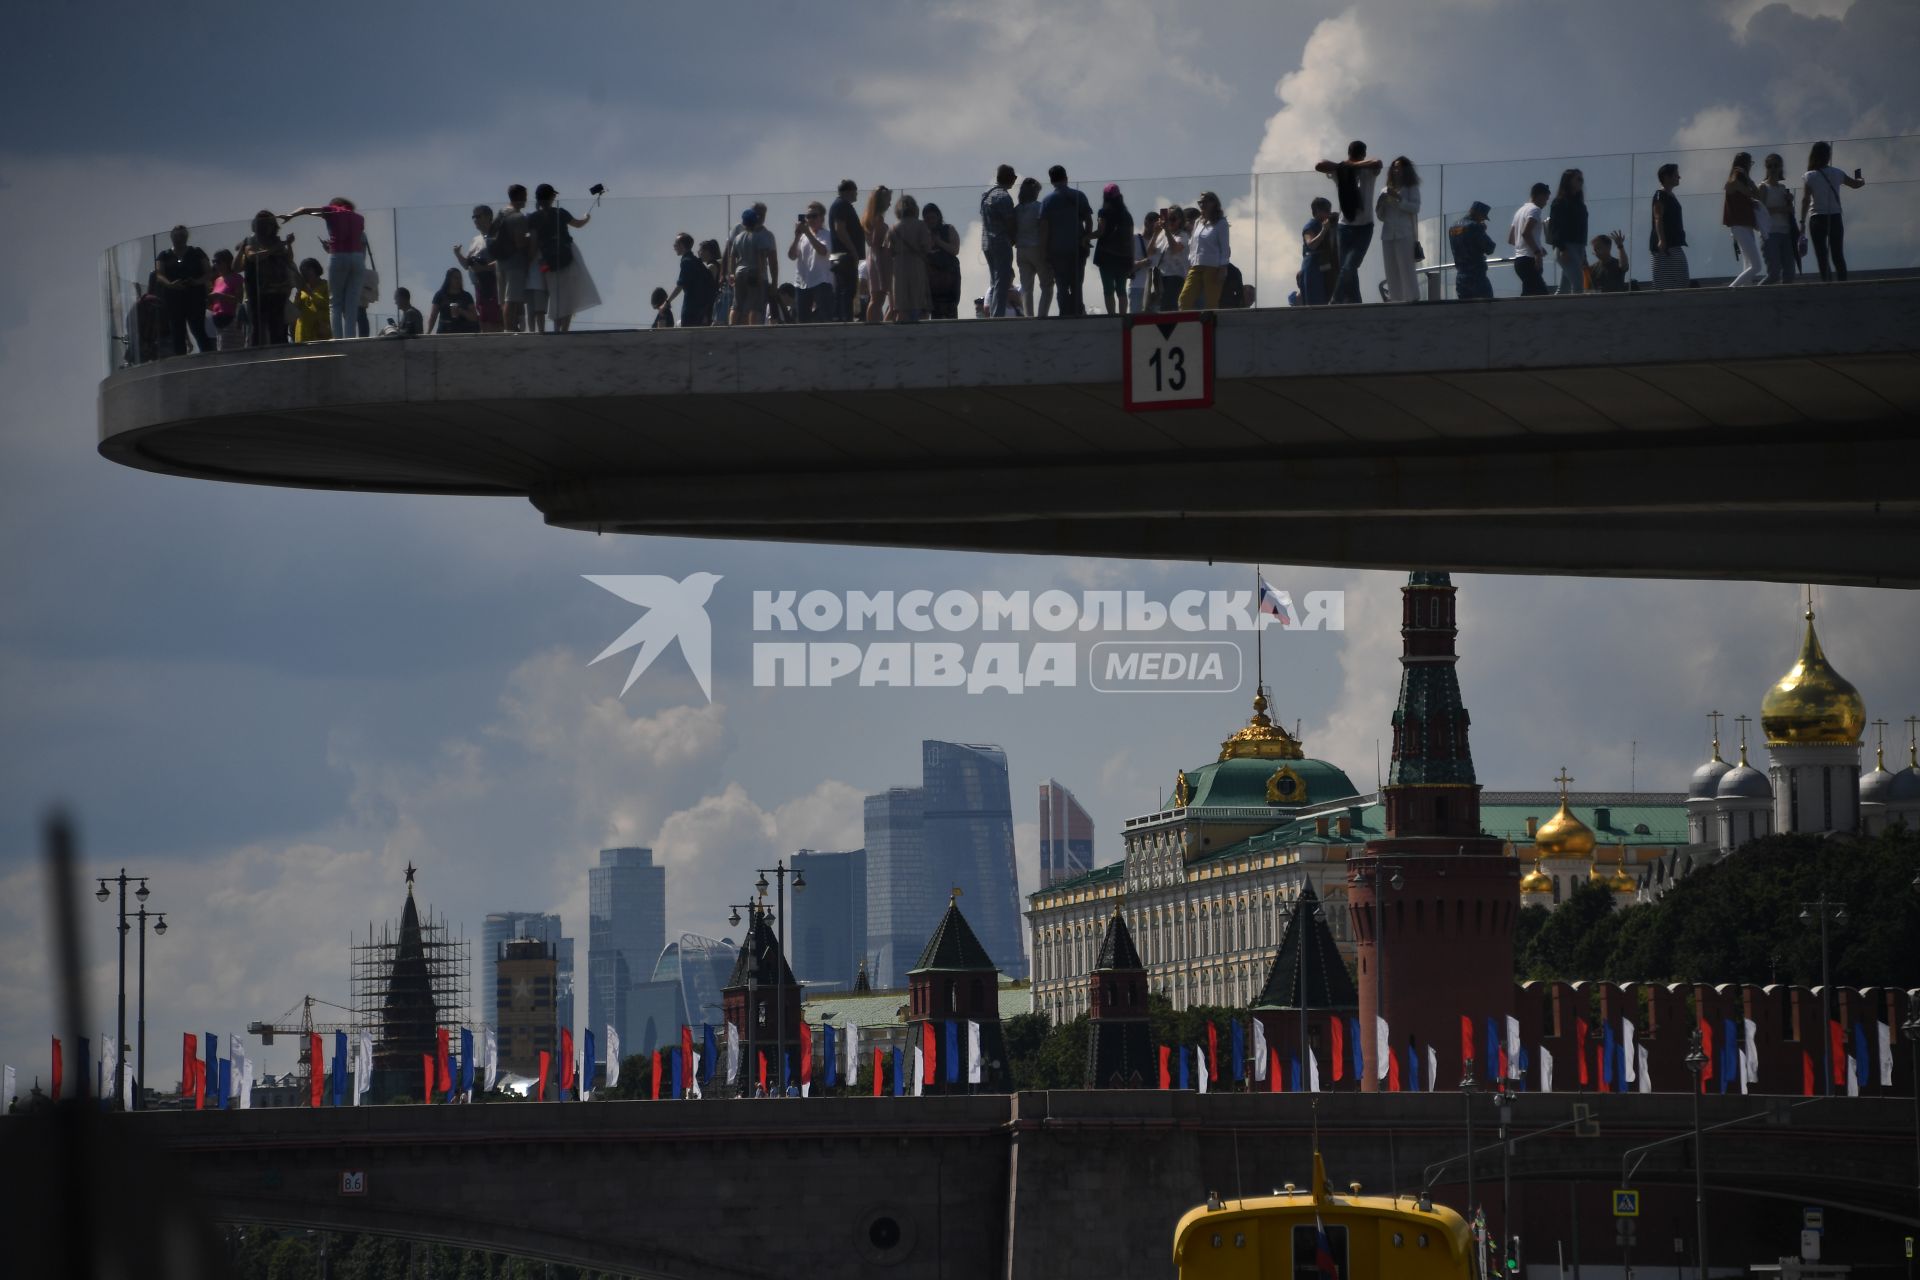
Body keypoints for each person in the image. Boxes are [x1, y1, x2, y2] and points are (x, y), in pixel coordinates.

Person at [279, 197, 367, 342]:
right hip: (357, 259)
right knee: (352, 303)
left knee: (335, 302)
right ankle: (350, 339)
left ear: (335, 205)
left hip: (338, 256)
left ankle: (338, 340)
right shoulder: (359, 218)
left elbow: (305, 210)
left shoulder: (332, 211)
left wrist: (290, 215)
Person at [1316, 141, 1383, 304]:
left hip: (1364, 228)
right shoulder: (1341, 170)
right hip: (1344, 227)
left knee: (1349, 266)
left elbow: (1378, 163)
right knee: (1348, 267)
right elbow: (1319, 165)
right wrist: (1344, 166)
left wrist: (1353, 166)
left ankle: (1336, 299)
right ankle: (1356, 302)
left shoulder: (1368, 171)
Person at [528, 183, 601, 332]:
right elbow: (578, 224)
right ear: (551, 197)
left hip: (546, 261)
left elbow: (534, 243)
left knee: (555, 294)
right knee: (568, 294)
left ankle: (556, 328)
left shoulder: (534, 218)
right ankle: (564, 329)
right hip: (568, 255)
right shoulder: (560, 213)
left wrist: (529, 262)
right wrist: (587, 217)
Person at [1799, 140, 1864, 283]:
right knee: (1837, 255)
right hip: (1834, 217)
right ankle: (1842, 284)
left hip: (1816, 218)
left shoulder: (1809, 175)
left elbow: (1805, 200)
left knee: (1822, 256)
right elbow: (1855, 184)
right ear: (1828, 156)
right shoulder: (1837, 173)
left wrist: (1802, 221)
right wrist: (1861, 179)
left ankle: (1827, 285)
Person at [235, 210, 297, 347]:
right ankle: (259, 356)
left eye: (267, 223)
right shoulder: (252, 240)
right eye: (261, 223)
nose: (265, 227)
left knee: (278, 328)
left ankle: (279, 355)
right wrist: (274, 249)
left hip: (277, 290)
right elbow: (252, 256)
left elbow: (288, 259)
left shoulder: (275, 241)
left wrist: (288, 244)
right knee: (258, 328)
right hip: (258, 292)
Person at [1039, 165, 1093, 317]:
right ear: (1066, 178)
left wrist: (1044, 251)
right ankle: (1077, 313)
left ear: (1051, 181)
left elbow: (1044, 229)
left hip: (1056, 250)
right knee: (1077, 284)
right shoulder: (1079, 196)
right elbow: (1089, 220)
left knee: (1062, 285)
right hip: (1077, 247)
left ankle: (1064, 315)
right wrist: (1086, 239)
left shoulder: (1047, 201)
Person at [152, 225, 212, 355]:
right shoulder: (164, 255)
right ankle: (181, 366)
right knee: (177, 333)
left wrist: (196, 282)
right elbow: (159, 274)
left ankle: (208, 360)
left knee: (198, 329)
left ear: (186, 237)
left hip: (195, 298)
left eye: (182, 236)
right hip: (174, 299)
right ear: (172, 237)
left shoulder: (197, 252)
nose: (179, 239)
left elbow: (208, 272)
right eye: (177, 236)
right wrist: (171, 284)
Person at [1376, 157, 1422, 303]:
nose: (1397, 170)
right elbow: (1381, 216)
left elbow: (1415, 208)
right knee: (1391, 269)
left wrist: (1398, 198)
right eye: (1395, 167)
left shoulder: (1411, 188)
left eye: (1400, 167)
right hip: (1388, 233)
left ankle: (1412, 298)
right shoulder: (1385, 189)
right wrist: (1381, 203)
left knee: (1406, 266)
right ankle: (1396, 299)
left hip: (1405, 232)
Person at [453, 205, 502, 331]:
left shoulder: (498, 236)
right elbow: (466, 265)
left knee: (495, 318)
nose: (475, 220)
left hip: (494, 284)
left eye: (479, 216)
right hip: (479, 285)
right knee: (484, 318)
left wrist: (485, 268)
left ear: (489, 217)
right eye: (473, 217)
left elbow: (504, 260)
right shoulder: (475, 240)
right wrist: (458, 254)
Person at [1179, 190, 1231, 310]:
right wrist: (1191, 261)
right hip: (1196, 266)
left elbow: (1224, 247)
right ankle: (1187, 325)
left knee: (1211, 302)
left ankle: (1211, 325)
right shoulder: (1198, 222)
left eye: (1205, 202)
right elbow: (1193, 244)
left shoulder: (1221, 223)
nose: (1202, 205)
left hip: (1213, 267)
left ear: (1213, 203)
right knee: (1184, 299)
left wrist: (1223, 268)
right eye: (1200, 203)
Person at [492, 186, 534, 332]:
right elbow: (520, 243)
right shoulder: (518, 217)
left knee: (504, 299)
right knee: (512, 298)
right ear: (520, 196)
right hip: (515, 262)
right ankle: (509, 330)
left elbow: (491, 234)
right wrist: (531, 239)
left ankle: (508, 329)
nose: (526, 199)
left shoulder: (501, 213)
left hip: (500, 261)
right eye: (525, 195)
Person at [1089, 184, 1135, 316]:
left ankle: (1112, 316)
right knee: (1121, 290)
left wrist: (1086, 237)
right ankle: (1122, 316)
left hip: (1106, 257)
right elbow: (1131, 239)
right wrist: (1131, 260)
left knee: (1108, 289)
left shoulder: (1104, 212)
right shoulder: (1127, 216)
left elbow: (1100, 232)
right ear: (1120, 197)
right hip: (1124, 257)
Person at [1721, 153, 1764, 288]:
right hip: (1740, 227)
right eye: (1749, 164)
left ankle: (1745, 290)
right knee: (1756, 266)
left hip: (1746, 226)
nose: (1750, 167)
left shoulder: (1741, 181)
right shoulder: (1735, 181)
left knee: (1749, 265)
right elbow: (1753, 194)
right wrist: (1746, 177)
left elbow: (1758, 196)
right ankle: (1731, 289)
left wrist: (1749, 180)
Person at [728, 206, 776, 325]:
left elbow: (732, 256)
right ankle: (753, 328)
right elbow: (760, 256)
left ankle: (731, 326)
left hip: (739, 272)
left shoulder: (738, 237)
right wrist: (760, 275)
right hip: (754, 272)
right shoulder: (759, 237)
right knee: (756, 305)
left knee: (737, 304)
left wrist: (731, 273)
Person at [979, 164, 1017, 317]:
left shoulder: (986, 195)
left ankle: (995, 313)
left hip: (987, 243)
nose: (1015, 179)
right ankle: (998, 315)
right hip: (1001, 242)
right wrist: (1014, 238)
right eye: (1013, 176)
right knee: (1003, 280)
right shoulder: (1003, 196)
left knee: (994, 281)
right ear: (1008, 177)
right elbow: (1010, 222)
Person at [1544, 169, 1589, 295]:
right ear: (1568, 182)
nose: (1581, 182)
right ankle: (1577, 312)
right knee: (1578, 283)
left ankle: (1553, 309)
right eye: (1578, 179)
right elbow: (1556, 227)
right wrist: (1562, 248)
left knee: (1564, 287)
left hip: (1578, 247)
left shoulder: (1580, 204)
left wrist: (1583, 254)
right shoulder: (1560, 202)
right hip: (1566, 247)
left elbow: (1581, 229)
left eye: (1582, 179)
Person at [889, 193, 932, 323]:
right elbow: (927, 247)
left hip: (898, 267)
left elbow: (889, 250)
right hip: (916, 265)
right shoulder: (921, 225)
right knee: (919, 303)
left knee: (901, 305)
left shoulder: (893, 228)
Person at [789, 202, 835, 322]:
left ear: (822, 217)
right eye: (808, 216)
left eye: (814, 216)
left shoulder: (827, 235)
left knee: (825, 317)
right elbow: (792, 256)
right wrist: (797, 236)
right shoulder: (802, 237)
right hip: (802, 282)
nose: (811, 219)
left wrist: (808, 233)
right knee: (802, 319)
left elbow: (823, 251)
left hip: (821, 281)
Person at [658, 232, 717, 326]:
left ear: (682, 245)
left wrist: (666, 303)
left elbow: (680, 285)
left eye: (676, 243)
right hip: (703, 308)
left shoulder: (687, 262)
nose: (674, 246)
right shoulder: (697, 262)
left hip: (691, 308)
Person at [1757, 154, 1799, 285]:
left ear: (1780, 167)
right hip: (1770, 233)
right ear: (1766, 168)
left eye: (1776, 165)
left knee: (1790, 273)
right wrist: (1782, 209)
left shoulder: (1782, 188)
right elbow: (1761, 211)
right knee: (1774, 273)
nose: (1773, 169)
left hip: (1786, 233)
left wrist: (1789, 203)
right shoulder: (1763, 187)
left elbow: (1790, 211)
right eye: (1770, 166)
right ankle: (1756, 295)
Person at [1013, 177, 1052, 317]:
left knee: (1026, 288)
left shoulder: (1016, 210)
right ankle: (1042, 316)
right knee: (1046, 285)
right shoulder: (1039, 207)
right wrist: (1045, 250)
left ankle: (1028, 317)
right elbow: (1043, 229)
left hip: (1021, 250)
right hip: (1036, 248)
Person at [829, 179, 866, 322]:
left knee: (842, 288)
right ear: (848, 191)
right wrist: (853, 251)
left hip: (839, 255)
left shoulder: (839, 205)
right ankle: (845, 318)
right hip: (845, 255)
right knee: (847, 289)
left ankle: (840, 317)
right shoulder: (842, 205)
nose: (856, 194)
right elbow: (840, 229)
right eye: (855, 191)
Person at [1649, 163, 1689, 289]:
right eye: (1676, 175)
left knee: (1681, 280)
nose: (1679, 177)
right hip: (1666, 246)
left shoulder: (1671, 196)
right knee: (1665, 282)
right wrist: (1661, 239)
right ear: (1667, 177)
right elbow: (1658, 217)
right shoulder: (1660, 195)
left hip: (1674, 244)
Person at [1507, 183, 1550, 296]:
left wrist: (1537, 246)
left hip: (1519, 261)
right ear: (1540, 196)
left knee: (1529, 293)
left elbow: (1511, 239)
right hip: (1529, 260)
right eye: (1546, 199)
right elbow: (1526, 233)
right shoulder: (1535, 210)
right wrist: (1537, 252)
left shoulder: (1520, 211)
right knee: (1541, 294)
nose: (1546, 203)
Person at [1448, 201, 1494, 301]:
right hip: (1477, 277)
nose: (1483, 220)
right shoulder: (1475, 226)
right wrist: (1482, 231)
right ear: (1478, 213)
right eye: (1483, 217)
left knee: (1466, 311)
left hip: (1461, 277)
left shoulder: (1453, 228)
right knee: (1488, 308)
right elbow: (1490, 248)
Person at [923, 203, 962, 320]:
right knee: (935, 314)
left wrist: (939, 242)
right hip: (932, 282)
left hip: (949, 280)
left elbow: (955, 250)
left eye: (933, 217)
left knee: (951, 313)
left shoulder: (949, 229)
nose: (931, 221)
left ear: (938, 216)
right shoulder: (923, 233)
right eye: (928, 219)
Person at [862, 186, 893, 323]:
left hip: (876, 257)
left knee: (878, 298)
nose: (890, 204)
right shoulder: (878, 219)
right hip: (878, 259)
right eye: (888, 200)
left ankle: (876, 323)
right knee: (877, 298)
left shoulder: (870, 218)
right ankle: (873, 325)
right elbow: (876, 242)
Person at [207, 249, 245, 351]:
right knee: (221, 350)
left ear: (227, 262)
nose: (215, 264)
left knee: (231, 351)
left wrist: (220, 296)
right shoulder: (217, 280)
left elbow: (238, 300)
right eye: (214, 262)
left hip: (231, 320)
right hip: (218, 322)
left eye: (218, 261)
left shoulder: (236, 278)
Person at [1152, 205, 1189, 311]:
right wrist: (1155, 233)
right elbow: (1150, 252)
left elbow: (1174, 249)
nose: (1170, 222)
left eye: (1173, 219)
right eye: (1168, 219)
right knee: (1160, 306)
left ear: (1180, 221)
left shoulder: (1183, 235)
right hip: (1160, 276)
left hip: (1175, 276)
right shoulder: (1161, 235)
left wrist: (1167, 231)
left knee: (1169, 305)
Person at [291, 258, 332, 342]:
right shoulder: (302, 290)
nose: (306, 273)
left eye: (308, 269)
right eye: (303, 271)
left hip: (320, 333)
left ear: (316, 269)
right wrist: (299, 291)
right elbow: (295, 310)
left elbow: (326, 304)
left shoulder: (326, 286)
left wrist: (310, 293)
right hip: (303, 335)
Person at [429, 267, 480, 333]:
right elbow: (433, 315)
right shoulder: (440, 295)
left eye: (460, 278)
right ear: (449, 279)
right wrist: (428, 332)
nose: (458, 280)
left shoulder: (466, 296)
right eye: (456, 278)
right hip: (444, 331)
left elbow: (474, 318)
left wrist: (461, 311)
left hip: (463, 332)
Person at [1131, 210, 1158, 313]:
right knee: (1137, 321)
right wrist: (1142, 263)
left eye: (1156, 222)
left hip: (1155, 289)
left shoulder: (1160, 241)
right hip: (1137, 287)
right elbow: (1127, 265)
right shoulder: (1134, 239)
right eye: (1151, 221)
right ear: (1145, 222)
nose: (1153, 225)